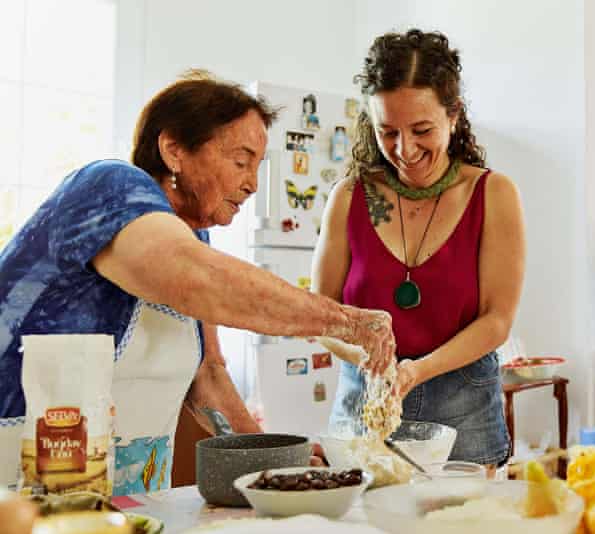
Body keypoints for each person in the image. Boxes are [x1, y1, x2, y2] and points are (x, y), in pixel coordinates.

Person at [0, 71, 395, 495]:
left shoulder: (194, 234)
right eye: (240, 161)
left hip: (129, 494)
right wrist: (346, 322)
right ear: (173, 149)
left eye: (258, 167)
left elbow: (208, 376)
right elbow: (199, 278)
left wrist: (281, 459)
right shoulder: (109, 187)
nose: (251, 184)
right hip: (21, 477)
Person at [312, 29, 526, 469]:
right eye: (386, 131)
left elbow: (497, 320)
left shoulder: (493, 194)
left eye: (421, 129)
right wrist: (371, 362)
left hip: (463, 409)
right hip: (362, 405)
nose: (403, 150)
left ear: (454, 116)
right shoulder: (349, 197)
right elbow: (321, 315)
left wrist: (414, 371)